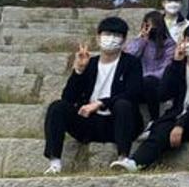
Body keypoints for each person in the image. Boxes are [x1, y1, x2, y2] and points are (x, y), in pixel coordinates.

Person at [112, 25, 189, 172]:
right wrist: (176, 63)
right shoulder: (177, 66)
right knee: (160, 130)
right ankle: (136, 162)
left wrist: (180, 125)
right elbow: (163, 94)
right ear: (183, 42)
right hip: (176, 115)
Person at [43, 17, 142, 174]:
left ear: (124, 40)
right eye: (107, 34)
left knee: (123, 104)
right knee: (57, 107)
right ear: (98, 37)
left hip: (117, 123)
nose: (111, 39)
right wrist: (79, 71)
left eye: (117, 35)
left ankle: (123, 158)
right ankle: (54, 162)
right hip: (89, 123)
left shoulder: (131, 63)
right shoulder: (90, 63)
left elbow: (133, 93)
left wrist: (101, 103)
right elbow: (68, 98)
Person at [124, 11, 176, 122]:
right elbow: (129, 57)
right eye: (147, 25)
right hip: (140, 83)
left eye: (153, 26)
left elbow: (167, 67)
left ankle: (154, 119)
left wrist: (146, 76)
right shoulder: (139, 41)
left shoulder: (169, 44)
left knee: (149, 81)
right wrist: (143, 40)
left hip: (158, 84)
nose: (151, 29)